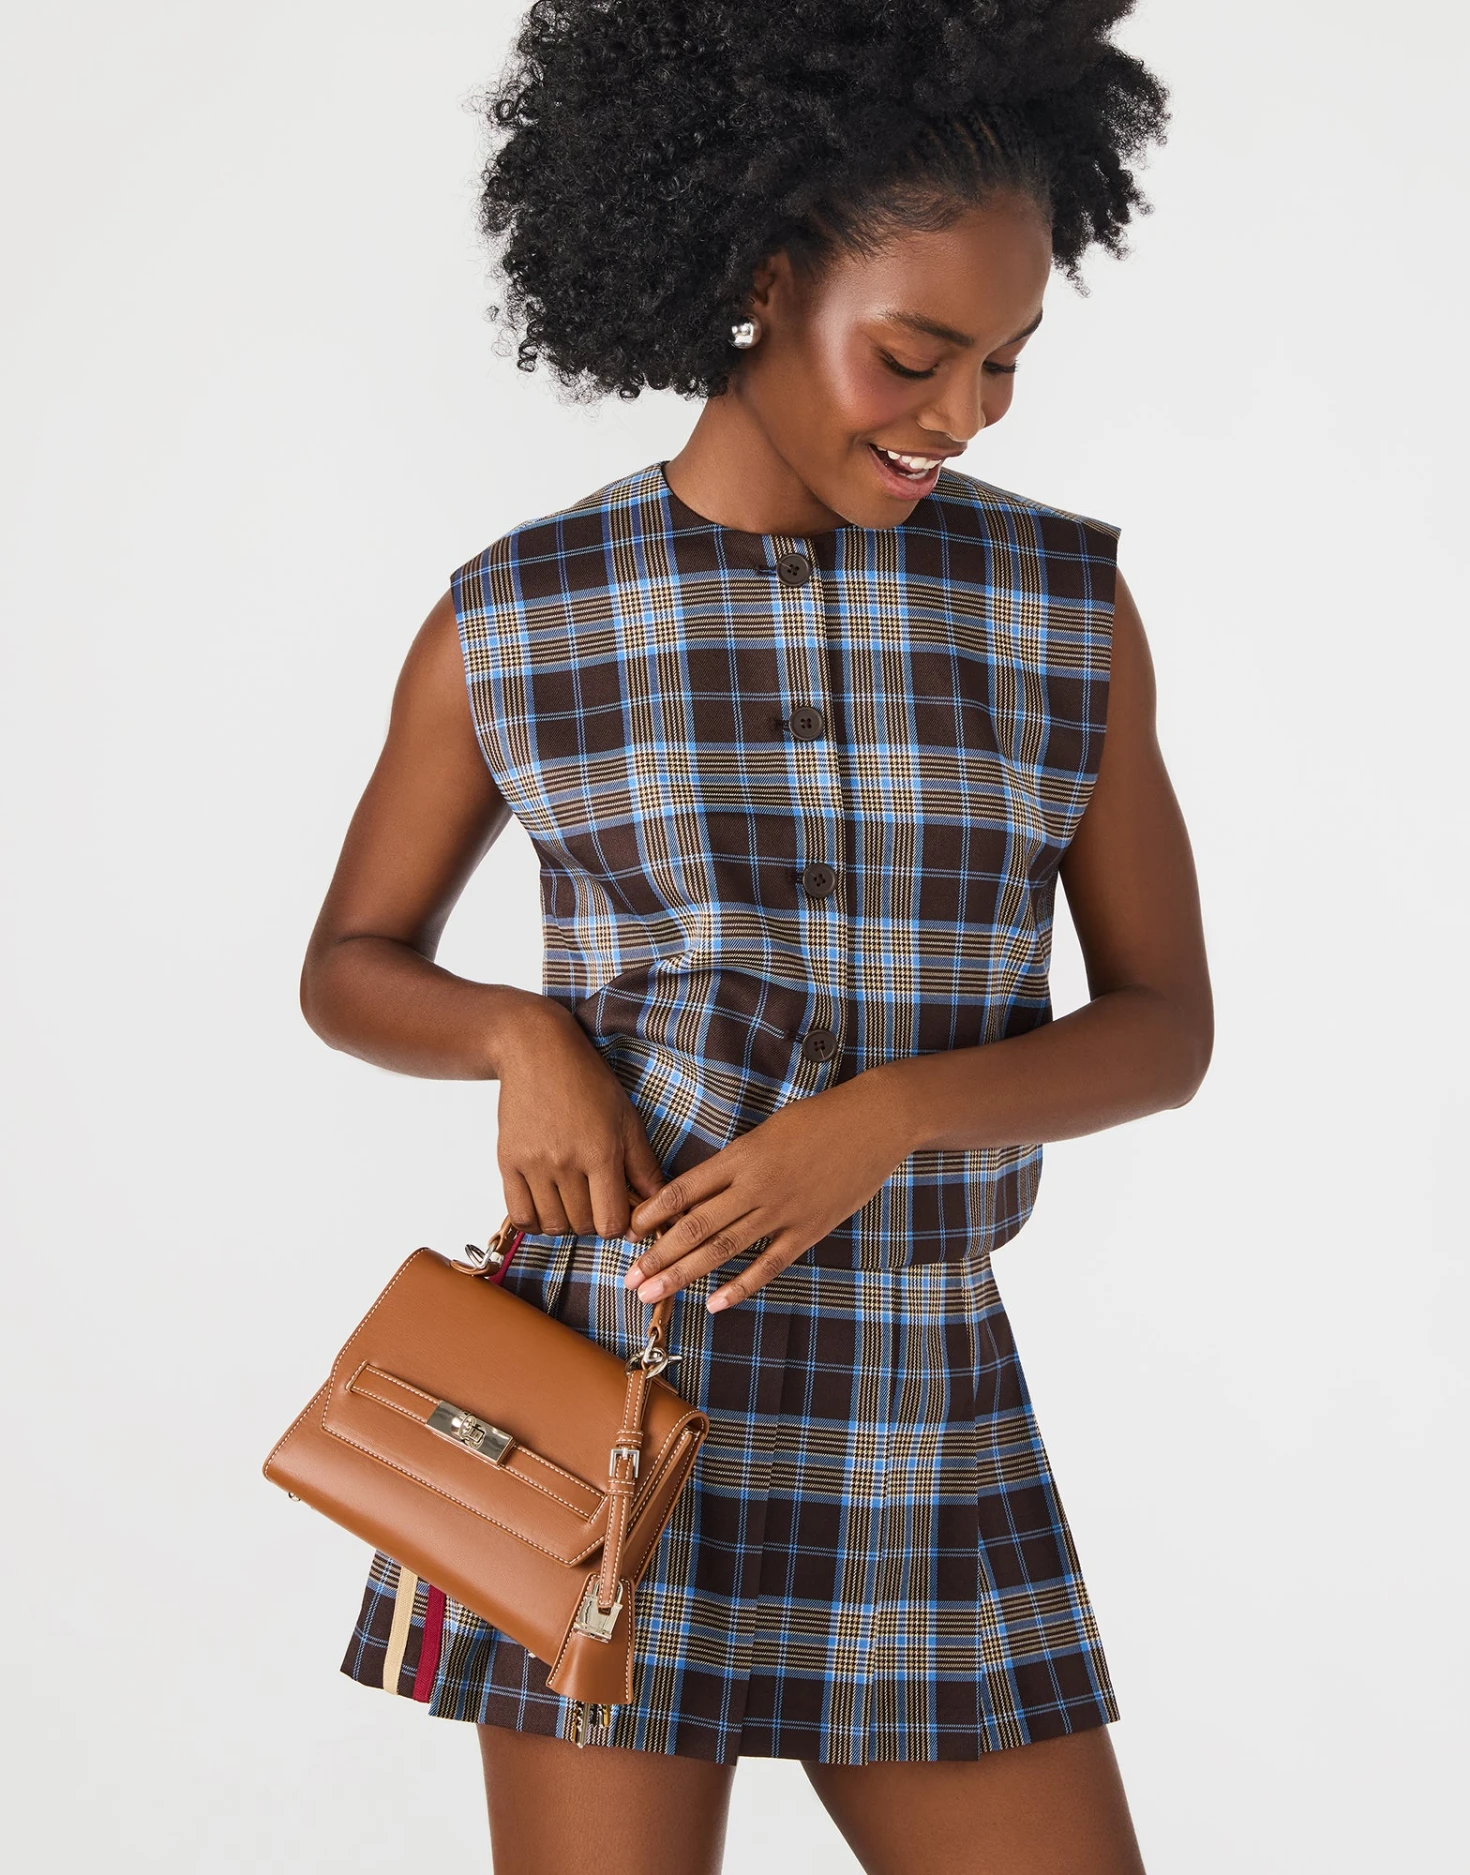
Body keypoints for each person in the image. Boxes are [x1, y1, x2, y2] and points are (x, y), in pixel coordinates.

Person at [297, 3, 1210, 1870]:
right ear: (763, 281)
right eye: (915, 354)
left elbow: (1165, 1024)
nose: (962, 414)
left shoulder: (1064, 607)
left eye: (1007, 362)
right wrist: (518, 1039)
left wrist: (893, 1116)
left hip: (919, 1392)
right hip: (612, 1393)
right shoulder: (520, 613)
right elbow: (350, 962)